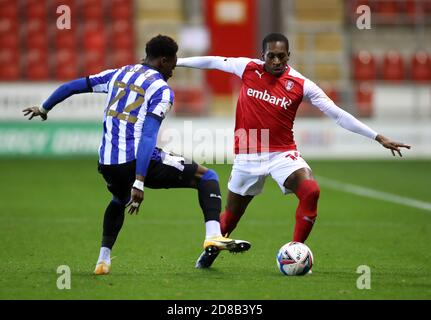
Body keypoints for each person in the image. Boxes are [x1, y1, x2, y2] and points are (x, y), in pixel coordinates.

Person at [176, 32, 411, 269]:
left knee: (311, 191)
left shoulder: (301, 85)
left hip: (282, 153)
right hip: (247, 155)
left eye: (281, 56)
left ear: (289, 55)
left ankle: (295, 251)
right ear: (263, 55)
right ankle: (210, 252)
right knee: (231, 216)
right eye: (271, 56)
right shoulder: (247, 68)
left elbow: (337, 114)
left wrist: (377, 137)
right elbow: (213, 61)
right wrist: (177, 62)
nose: (277, 61)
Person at [22, 34, 250, 275]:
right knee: (207, 177)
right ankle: (213, 235)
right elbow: (148, 136)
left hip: (108, 162)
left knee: (118, 200)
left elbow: (71, 87)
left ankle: (103, 260)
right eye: (173, 62)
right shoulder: (161, 89)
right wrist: (139, 181)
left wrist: (44, 107)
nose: (174, 68)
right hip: (136, 161)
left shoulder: (117, 74)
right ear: (163, 60)